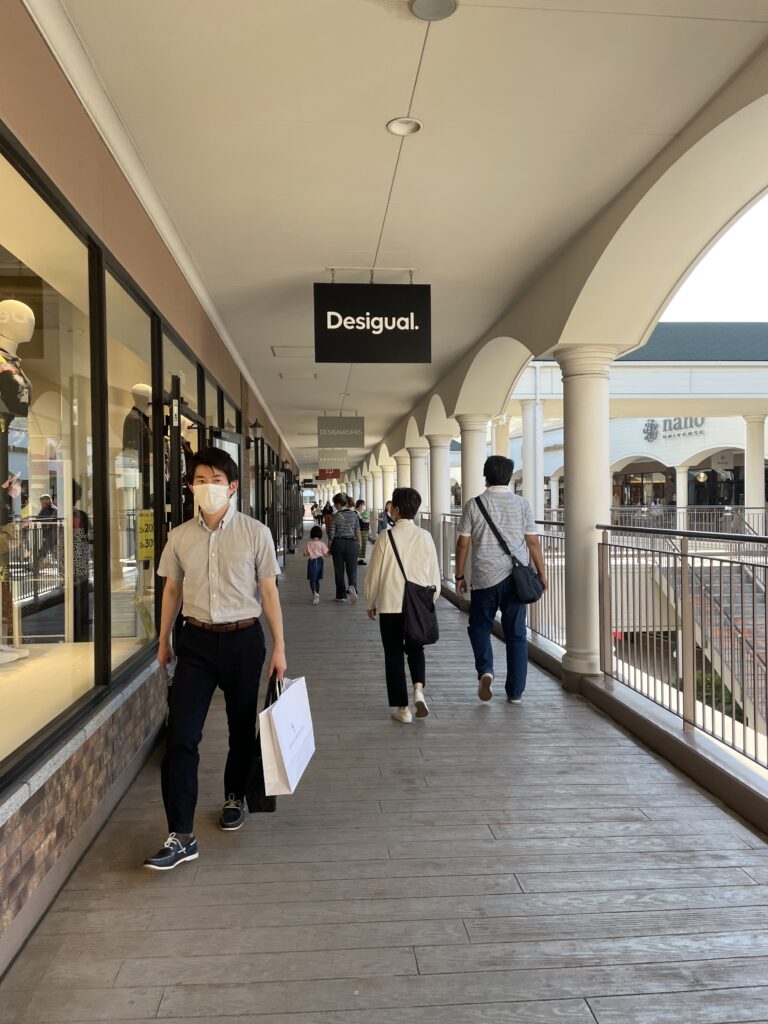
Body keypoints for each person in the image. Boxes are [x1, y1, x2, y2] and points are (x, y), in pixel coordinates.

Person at [144, 446, 286, 871]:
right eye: (200, 480)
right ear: (190, 487)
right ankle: (181, 834)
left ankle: (234, 797)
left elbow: (269, 591)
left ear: (233, 487)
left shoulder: (255, 533)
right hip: (196, 644)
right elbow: (171, 590)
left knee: (242, 727)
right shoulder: (180, 536)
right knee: (182, 736)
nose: (208, 487)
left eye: (216, 480)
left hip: (245, 640)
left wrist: (279, 646)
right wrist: (164, 639)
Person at [454, 455, 547, 704]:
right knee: (516, 634)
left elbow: (463, 543)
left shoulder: (474, 505)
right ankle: (515, 692)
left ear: (486, 476)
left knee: (479, 626)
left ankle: (486, 669)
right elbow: (533, 542)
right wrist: (542, 572)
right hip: (516, 579)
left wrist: (459, 574)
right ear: (509, 476)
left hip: (485, 578)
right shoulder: (523, 504)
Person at [365, 487, 440, 723]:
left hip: (391, 605)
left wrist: (370, 600)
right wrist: (428, 602)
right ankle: (418, 689)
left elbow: (374, 573)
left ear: (395, 509)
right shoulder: (425, 537)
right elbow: (434, 576)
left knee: (394, 654)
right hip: (416, 605)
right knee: (416, 648)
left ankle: (402, 708)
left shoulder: (385, 537)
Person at [328, 492, 360, 602]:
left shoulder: (336, 516)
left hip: (338, 543)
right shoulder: (354, 514)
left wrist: (329, 547)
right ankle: (352, 586)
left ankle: (340, 595)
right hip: (352, 543)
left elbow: (331, 533)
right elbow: (357, 530)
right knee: (352, 569)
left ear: (338, 504)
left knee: (339, 570)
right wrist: (358, 544)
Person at [303, 524, 329, 605]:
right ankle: (317, 593)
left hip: (311, 562)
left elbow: (304, 554)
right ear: (320, 534)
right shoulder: (322, 544)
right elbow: (326, 555)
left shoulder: (308, 544)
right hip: (320, 561)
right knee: (317, 579)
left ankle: (314, 593)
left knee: (312, 579)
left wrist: (309, 553)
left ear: (311, 534)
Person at [356, 498, 370, 564]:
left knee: (363, 545)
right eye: (363, 505)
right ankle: (357, 559)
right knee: (359, 545)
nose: (364, 506)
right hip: (359, 530)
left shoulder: (363, 513)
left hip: (365, 530)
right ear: (360, 505)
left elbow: (367, 521)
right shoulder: (356, 512)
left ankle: (360, 559)